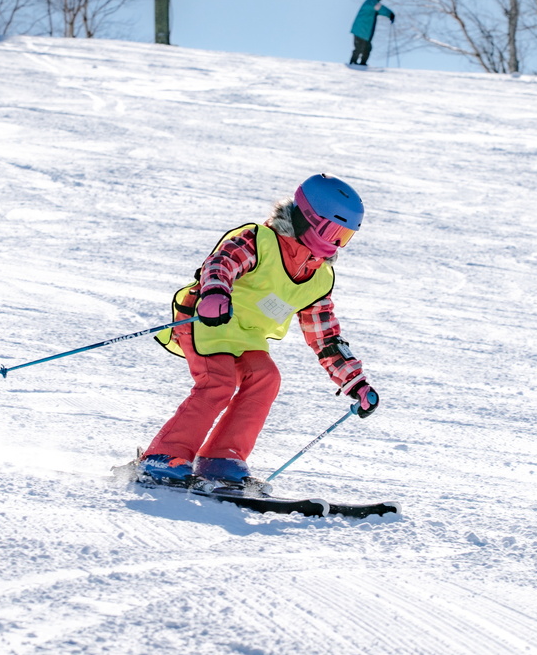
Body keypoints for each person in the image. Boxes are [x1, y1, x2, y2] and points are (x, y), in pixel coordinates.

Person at [135, 174, 379, 496]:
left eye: (344, 237)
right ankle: (163, 457)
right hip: (209, 321)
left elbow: (325, 338)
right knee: (218, 382)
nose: (335, 243)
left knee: (267, 378)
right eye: (332, 231)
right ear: (307, 218)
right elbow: (221, 264)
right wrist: (215, 293)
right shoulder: (259, 241)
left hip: (247, 337)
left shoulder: (317, 278)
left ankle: (221, 460)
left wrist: (354, 381)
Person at [349, 0, 393, 67]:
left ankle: (361, 64)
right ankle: (354, 63)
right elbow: (380, 8)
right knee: (360, 48)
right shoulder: (372, 1)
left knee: (366, 48)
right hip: (361, 30)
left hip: (363, 31)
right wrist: (390, 14)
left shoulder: (372, 1)